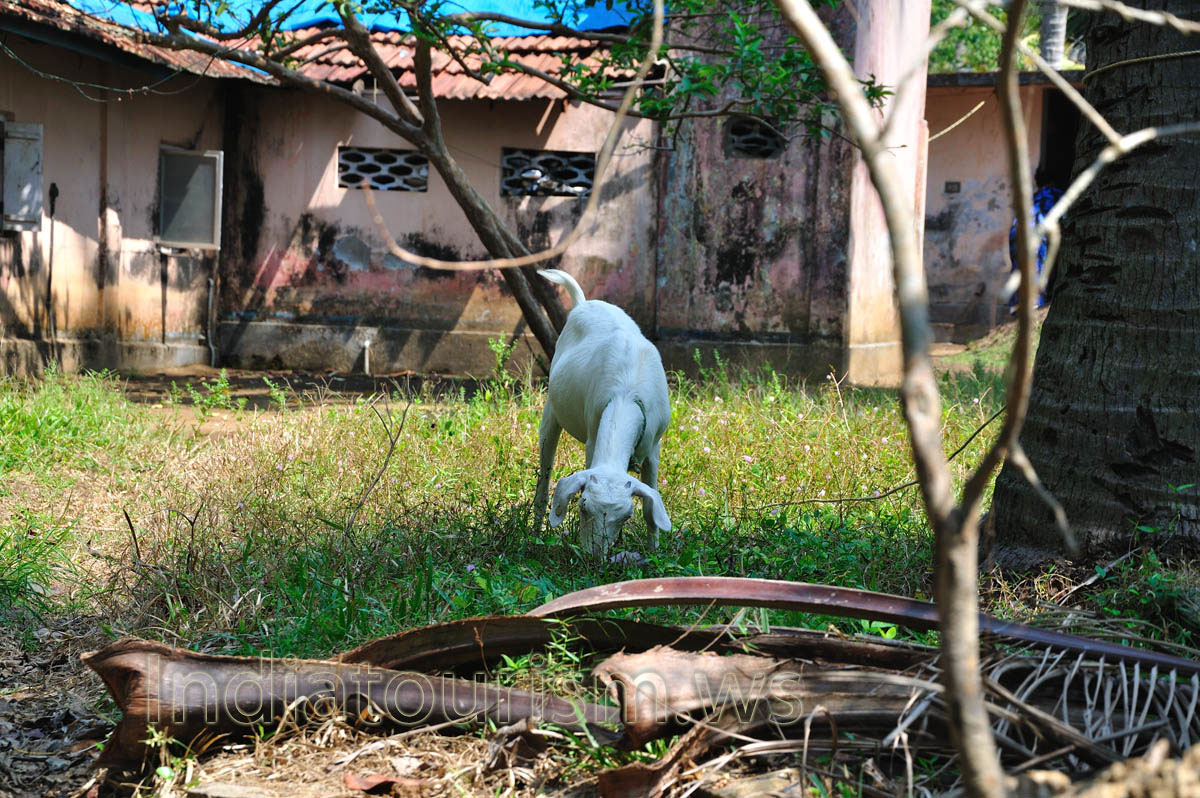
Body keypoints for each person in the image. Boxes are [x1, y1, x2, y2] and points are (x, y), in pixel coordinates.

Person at [1008, 168, 1064, 311]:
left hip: (1016, 233)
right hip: (1037, 235)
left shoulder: (1033, 197)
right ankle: (1034, 305)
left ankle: (1018, 305)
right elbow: (1065, 218)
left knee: (1020, 269)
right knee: (1038, 269)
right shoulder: (1056, 195)